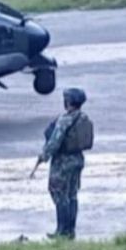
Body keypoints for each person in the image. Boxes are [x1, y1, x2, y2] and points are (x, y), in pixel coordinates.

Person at [36, 88, 92, 240]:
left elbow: (54, 142)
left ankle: (62, 231)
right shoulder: (83, 117)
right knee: (72, 195)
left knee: (59, 194)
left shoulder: (64, 119)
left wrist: (43, 156)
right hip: (78, 160)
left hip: (63, 162)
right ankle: (70, 231)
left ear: (68, 101)